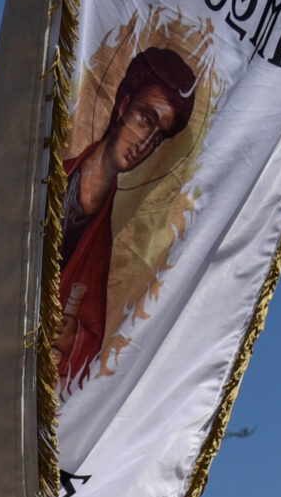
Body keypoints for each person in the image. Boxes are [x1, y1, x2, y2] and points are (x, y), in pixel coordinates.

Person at [55, 44, 199, 388]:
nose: (145, 142)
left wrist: (72, 338)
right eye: (145, 119)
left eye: (159, 134)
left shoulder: (103, 240)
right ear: (122, 105)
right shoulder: (51, 176)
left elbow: (91, 338)